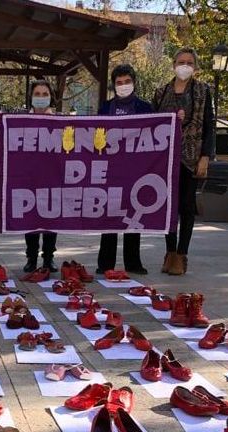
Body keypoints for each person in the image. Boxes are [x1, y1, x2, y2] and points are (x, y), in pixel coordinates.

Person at [153, 48, 215, 276]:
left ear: (195, 67)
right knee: (169, 207)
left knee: (187, 207)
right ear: (173, 65)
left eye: (189, 62)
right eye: (181, 61)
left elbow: (209, 125)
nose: (185, 65)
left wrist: (205, 156)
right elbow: (153, 122)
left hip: (191, 157)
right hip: (166, 159)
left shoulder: (203, 91)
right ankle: (169, 251)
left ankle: (181, 254)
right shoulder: (161, 92)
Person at [97, 64, 153, 275]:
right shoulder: (105, 108)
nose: (123, 86)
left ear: (134, 82)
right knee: (109, 215)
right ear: (114, 85)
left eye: (126, 82)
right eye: (119, 83)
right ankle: (105, 263)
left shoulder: (145, 108)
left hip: (137, 170)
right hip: (111, 169)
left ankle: (133, 263)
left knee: (134, 215)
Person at [23, 80, 59, 273]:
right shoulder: (21, 121)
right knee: (31, 219)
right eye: (37, 93)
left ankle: (49, 258)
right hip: (30, 177)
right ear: (31, 97)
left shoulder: (59, 121)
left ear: (51, 97)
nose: (41, 97)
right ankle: (31, 257)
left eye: (45, 94)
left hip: (53, 176)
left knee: (51, 219)